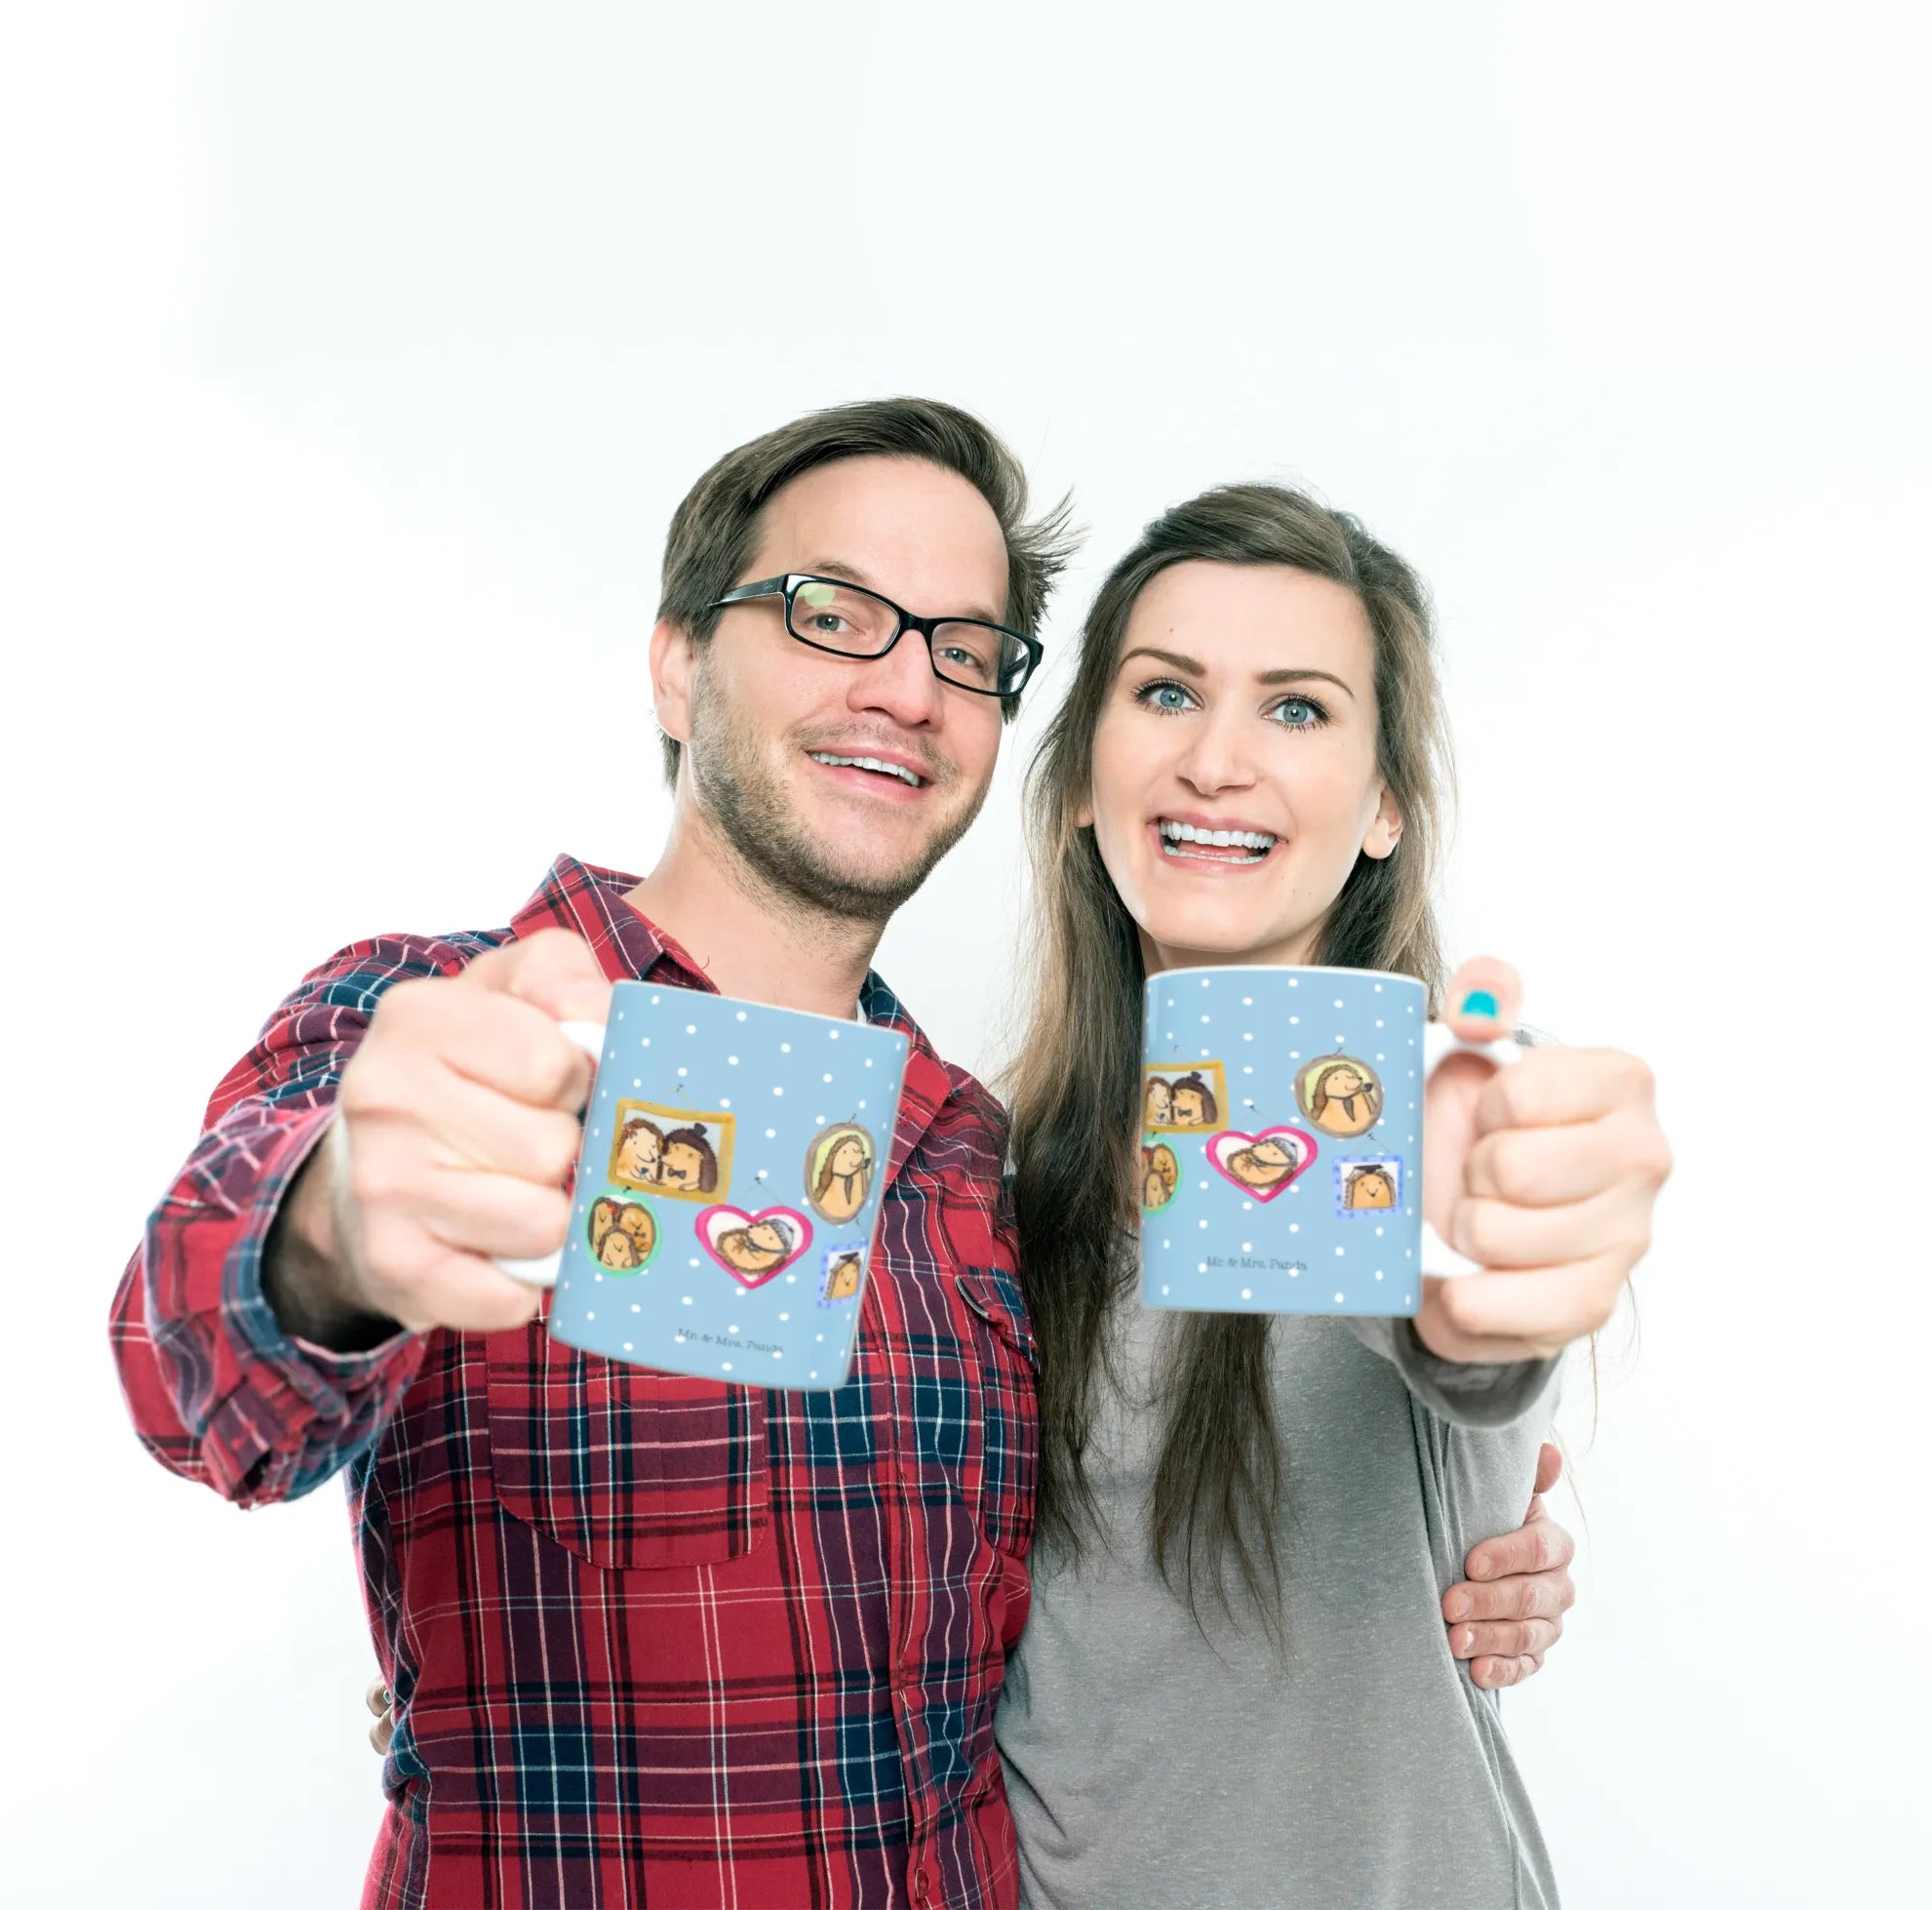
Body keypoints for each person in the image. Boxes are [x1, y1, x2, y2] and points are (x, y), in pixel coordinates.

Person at [112, 400, 1581, 1909]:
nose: (906, 687)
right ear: (679, 661)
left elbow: (1428, 1341)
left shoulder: (973, 1164)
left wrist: (1484, 1458)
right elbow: (190, 1362)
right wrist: (335, 1235)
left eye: (964, 649)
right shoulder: (442, 1026)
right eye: (833, 613)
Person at [998, 484, 1671, 1907]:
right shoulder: (991, 1182)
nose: (1217, 761)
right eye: (1166, 692)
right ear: (1078, 781)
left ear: (1383, 808)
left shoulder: (1440, 1117)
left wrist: (1500, 1274)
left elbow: (1469, 1333)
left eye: (1296, 709)